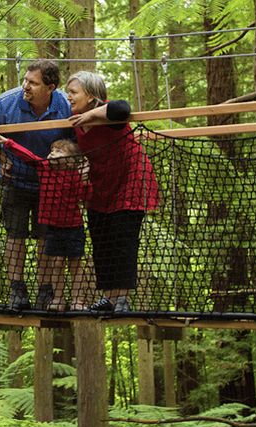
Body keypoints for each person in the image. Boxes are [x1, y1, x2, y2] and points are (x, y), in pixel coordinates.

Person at [65, 71, 159, 313]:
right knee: (101, 238)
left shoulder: (110, 113)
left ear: (90, 96)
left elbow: (122, 108)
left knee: (122, 238)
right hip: (102, 184)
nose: (69, 97)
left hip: (130, 180)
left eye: (73, 92)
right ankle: (109, 297)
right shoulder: (74, 121)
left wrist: (91, 114)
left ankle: (122, 299)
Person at [0, 59, 73, 310]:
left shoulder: (65, 106)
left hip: (50, 183)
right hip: (15, 179)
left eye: (33, 83)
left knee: (46, 237)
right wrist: (3, 160)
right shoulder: (6, 103)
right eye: (25, 80)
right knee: (15, 235)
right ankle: (17, 290)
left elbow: (74, 143)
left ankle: (45, 291)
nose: (25, 86)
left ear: (50, 87)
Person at [0, 134, 90, 311]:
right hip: (53, 227)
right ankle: (58, 299)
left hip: (74, 227)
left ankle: (78, 300)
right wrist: (9, 143)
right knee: (56, 264)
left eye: (59, 151)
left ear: (70, 161)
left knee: (75, 264)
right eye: (52, 150)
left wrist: (84, 179)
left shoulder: (75, 175)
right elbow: (28, 156)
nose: (52, 153)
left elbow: (84, 197)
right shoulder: (45, 168)